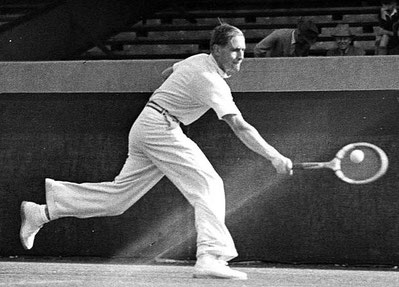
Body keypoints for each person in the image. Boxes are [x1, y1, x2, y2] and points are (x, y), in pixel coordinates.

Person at [19, 24, 293, 280]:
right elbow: (240, 126)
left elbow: (168, 74)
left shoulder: (197, 60)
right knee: (208, 183)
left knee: (118, 199)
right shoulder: (211, 80)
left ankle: (42, 213)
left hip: (148, 123)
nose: (240, 57)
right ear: (217, 49)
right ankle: (210, 256)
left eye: (243, 51)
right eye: (235, 50)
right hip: (162, 126)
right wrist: (274, 156)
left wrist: (178, 94)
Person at [253, 18, 319, 57]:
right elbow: (258, 50)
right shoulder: (278, 35)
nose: (306, 44)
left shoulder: (306, 44)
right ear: (299, 35)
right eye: (304, 40)